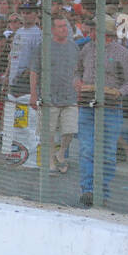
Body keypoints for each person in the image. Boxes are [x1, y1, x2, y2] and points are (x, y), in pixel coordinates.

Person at [75, 15, 128, 207]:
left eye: (94, 29)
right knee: (86, 149)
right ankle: (88, 190)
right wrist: (76, 82)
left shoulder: (121, 53)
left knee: (108, 151)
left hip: (110, 106)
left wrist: (119, 92)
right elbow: (77, 71)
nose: (90, 32)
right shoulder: (86, 49)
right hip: (87, 105)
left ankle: (102, 189)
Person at [29, 15, 80, 174]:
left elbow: (78, 70)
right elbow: (34, 71)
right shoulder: (43, 47)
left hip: (70, 96)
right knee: (48, 132)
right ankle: (50, 160)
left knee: (70, 129)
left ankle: (61, 153)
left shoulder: (74, 47)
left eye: (65, 26)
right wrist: (33, 94)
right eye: (60, 26)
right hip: (49, 96)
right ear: (52, 30)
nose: (64, 29)